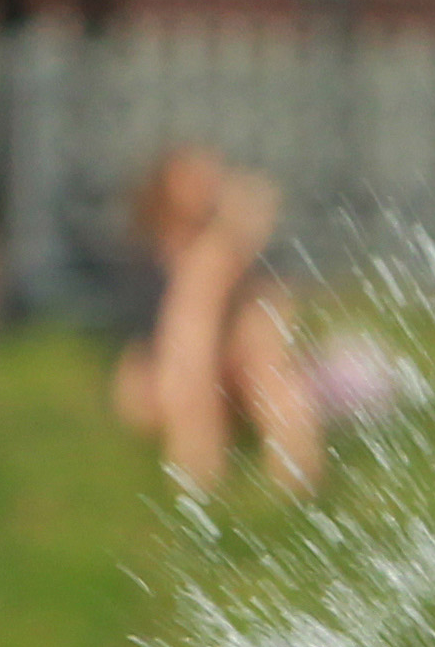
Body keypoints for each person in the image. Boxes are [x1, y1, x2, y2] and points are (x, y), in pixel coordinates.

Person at [114, 147, 334, 499]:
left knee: (259, 339)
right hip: (165, 379)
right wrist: (226, 246)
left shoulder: (241, 258)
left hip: (228, 371)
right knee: (205, 308)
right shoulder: (158, 260)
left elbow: (276, 323)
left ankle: (290, 476)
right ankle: (204, 470)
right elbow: (175, 340)